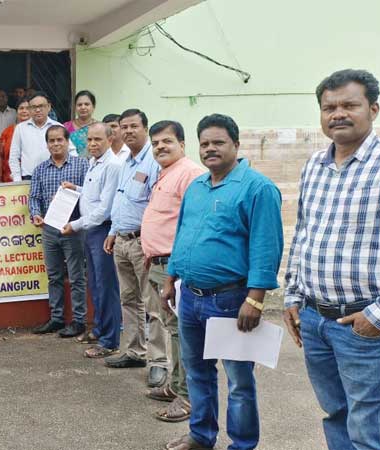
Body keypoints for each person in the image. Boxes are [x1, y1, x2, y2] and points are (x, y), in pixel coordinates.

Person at [160, 113, 283, 450]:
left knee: (239, 381)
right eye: (204, 144)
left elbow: (266, 247)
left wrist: (255, 299)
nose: (210, 149)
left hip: (231, 300)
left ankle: (242, 444)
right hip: (191, 298)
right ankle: (201, 436)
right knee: (197, 372)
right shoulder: (197, 187)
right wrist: (171, 278)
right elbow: (183, 235)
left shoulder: (258, 188)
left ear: (236, 145)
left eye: (218, 142)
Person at [284, 69, 380, 450]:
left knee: (372, 427)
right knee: (336, 414)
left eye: (349, 105)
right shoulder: (314, 166)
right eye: (329, 107)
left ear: (373, 109)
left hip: (364, 323)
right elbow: (303, 233)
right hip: (315, 321)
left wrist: (379, 316)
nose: (338, 114)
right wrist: (293, 296)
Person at [140, 120, 205, 424]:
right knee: (172, 328)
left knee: (182, 331)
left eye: (166, 141)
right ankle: (177, 385)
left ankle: (187, 395)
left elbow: (194, 226)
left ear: (182, 144)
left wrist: (173, 270)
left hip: (174, 268)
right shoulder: (167, 173)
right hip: (159, 264)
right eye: (155, 143)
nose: (160, 147)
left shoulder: (189, 173)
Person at [102, 109, 166, 390]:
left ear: (145, 129)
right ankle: (134, 351)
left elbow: (157, 205)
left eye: (133, 126)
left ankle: (159, 362)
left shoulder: (154, 161)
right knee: (128, 299)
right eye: (123, 127)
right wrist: (112, 232)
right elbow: (122, 201)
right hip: (122, 240)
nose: (127, 131)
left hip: (143, 242)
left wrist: (149, 242)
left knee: (154, 304)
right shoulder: (126, 161)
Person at [59, 123, 122, 356]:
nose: (93, 144)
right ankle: (99, 329)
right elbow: (92, 195)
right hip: (90, 230)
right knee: (95, 284)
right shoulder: (93, 162)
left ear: (110, 140)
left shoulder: (113, 166)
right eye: (90, 140)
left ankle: (110, 341)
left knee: (106, 286)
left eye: (98, 139)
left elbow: (104, 209)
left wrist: (75, 225)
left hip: (102, 230)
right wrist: (75, 188)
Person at [29, 125, 89, 336]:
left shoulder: (82, 165)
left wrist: (74, 191)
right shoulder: (40, 170)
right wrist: (35, 214)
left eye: (59, 140)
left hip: (73, 228)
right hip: (49, 228)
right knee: (54, 276)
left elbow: (91, 194)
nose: (55, 144)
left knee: (76, 276)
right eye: (51, 141)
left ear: (67, 141)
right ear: (47, 144)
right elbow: (34, 197)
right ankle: (57, 318)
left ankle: (79, 320)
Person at [9, 91, 75, 181]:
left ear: (49, 107)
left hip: (55, 176)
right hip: (29, 178)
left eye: (41, 106)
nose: (37, 110)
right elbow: (13, 157)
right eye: (34, 107)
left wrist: (71, 172)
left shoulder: (58, 127)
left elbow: (71, 151)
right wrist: (17, 179)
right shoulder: (20, 128)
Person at [0, 97, 30, 183]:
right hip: (9, 178)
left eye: (28, 108)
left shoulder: (37, 131)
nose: (24, 111)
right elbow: (0, 155)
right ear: (17, 111)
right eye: (21, 108)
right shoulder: (7, 132)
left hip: (32, 177)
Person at [63, 90, 97, 158]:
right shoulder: (66, 127)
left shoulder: (100, 127)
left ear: (93, 106)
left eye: (86, 104)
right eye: (79, 105)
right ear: (75, 107)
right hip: (71, 163)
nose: (83, 107)